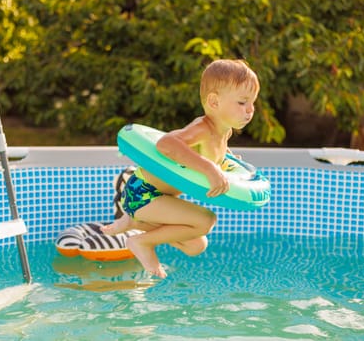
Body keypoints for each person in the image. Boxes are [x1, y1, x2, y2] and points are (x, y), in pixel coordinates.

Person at [102, 59, 260, 278]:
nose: (250, 109)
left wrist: (227, 161)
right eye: (242, 102)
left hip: (158, 200)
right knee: (206, 220)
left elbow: (213, 154)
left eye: (253, 102)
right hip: (143, 192)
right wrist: (209, 168)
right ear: (214, 102)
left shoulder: (225, 132)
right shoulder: (202, 128)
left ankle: (134, 222)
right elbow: (165, 144)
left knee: (197, 245)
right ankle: (140, 241)